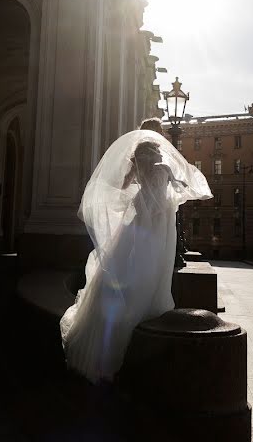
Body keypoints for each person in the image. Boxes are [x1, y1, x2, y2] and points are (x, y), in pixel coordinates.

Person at [59, 128, 211, 383]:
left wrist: (135, 194)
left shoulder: (137, 163)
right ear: (158, 150)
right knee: (150, 269)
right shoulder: (164, 166)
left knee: (125, 266)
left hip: (139, 220)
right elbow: (181, 187)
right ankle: (140, 317)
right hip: (158, 225)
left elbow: (122, 186)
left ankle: (102, 338)